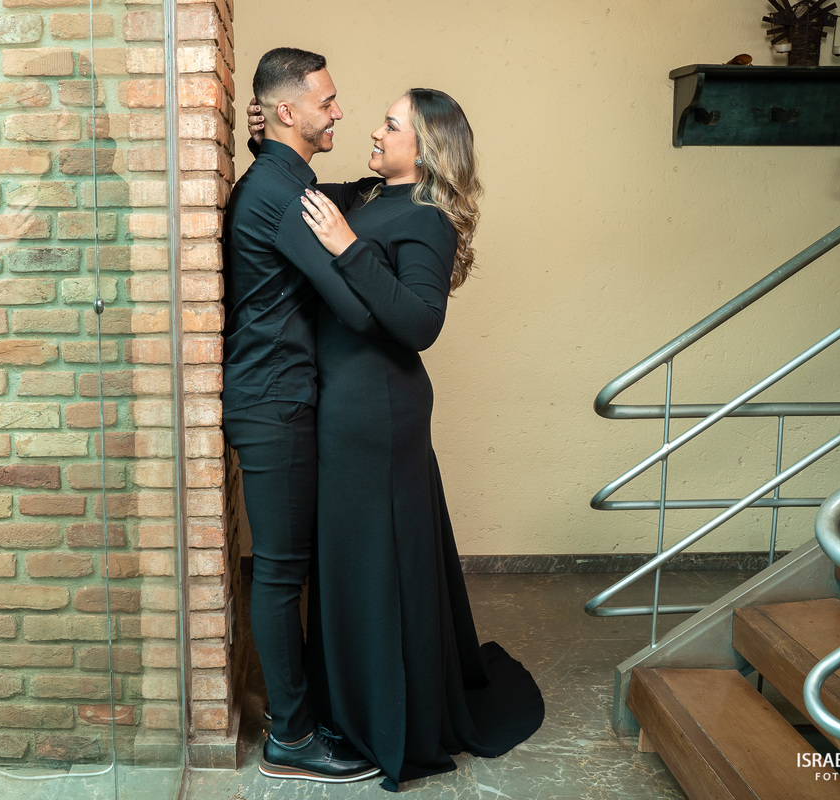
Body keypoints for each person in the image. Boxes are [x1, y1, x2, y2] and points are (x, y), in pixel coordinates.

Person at [247, 88, 546, 791]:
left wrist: (349, 250)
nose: (375, 132)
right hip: (346, 405)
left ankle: (384, 719)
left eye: (390, 124)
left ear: (426, 146)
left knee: (372, 563)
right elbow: (302, 189)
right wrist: (269, 139)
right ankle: (348, 707)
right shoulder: (376, 193)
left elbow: (419, 325)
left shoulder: (429, 219)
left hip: (379, 411)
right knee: (352, 562)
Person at [220, 47, 381, 783]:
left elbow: (317, 204)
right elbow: (350, 305)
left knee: (290, 569)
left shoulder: (281, 176)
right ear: (289, 111)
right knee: (282, 575)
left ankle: (299, 711)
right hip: (273, 404)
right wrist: (359, 259)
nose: (339, 110)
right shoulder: (280, 194)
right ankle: (290, 737)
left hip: (277, 397)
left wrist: (370, 192)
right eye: (327, 100)